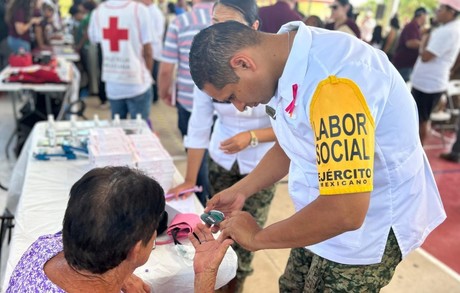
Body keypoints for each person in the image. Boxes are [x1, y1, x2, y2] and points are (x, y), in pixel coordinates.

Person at [189, 20, 446, 291]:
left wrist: (257, 237)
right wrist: (242, 189)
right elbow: (295, 142)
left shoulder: (334, 85)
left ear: (243, 63)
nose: (239, 107)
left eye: (232, 96)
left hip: (363, 233)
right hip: (319, 212)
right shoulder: (282, 60)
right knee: (293, 286)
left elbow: (346, 211)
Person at [167, 0, 275, 291]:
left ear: (254, 29)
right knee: (218, 229)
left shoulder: (271, 66)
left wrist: (252, 137)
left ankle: (236, 284)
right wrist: (189, 179)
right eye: (215, 23)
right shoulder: (209, 65)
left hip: (264, 164)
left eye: (229, 26)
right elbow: (199, 125)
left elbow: (291, 130)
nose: (238, 106)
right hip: (223, 159)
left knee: (249, 236)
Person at [6, 166, 233, 293]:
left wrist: (120, 275)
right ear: (135, 249)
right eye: (153, 230)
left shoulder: (44, 247)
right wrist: (205, 276)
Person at [158, 0, 215, 205]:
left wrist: (163, 92)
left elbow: (166, 68)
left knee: (195, 152)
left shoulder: (180, 22)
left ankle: (199, 202)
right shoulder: (230, 19)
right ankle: (216, 199)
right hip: (225, 103)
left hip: (188, 99)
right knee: (218, 156)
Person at [88, 0, 154, 120]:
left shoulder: (97, 12)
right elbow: (148, 51)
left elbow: (95, 40)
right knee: (140, 132)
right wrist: (148, 74)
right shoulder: (139, 10)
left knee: (117, 130)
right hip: (137, 82)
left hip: (113, 83)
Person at [411, 0, 460, 145]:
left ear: (451, 12)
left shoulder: (448, 31)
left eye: (441, 8)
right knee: (419, 119)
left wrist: (425, 39)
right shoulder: (449, 29)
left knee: (421, 120)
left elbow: (426, 56)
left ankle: (418, 153)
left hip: (429, 84)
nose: (437, 11)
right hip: (428, 82)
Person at [391, 7, 427, 82]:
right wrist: (426, 44)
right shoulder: (412, 26)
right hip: (404, 64)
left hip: (406, 64)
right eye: (426, 15)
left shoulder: (416, 27)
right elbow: (410, 43)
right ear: (422, 15)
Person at [140, 0, 165, 103]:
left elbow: (157, 34)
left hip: (153, 49)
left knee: (152, 74)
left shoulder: (155, 13)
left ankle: (153, 97)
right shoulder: (146, 11)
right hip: (150, 48)